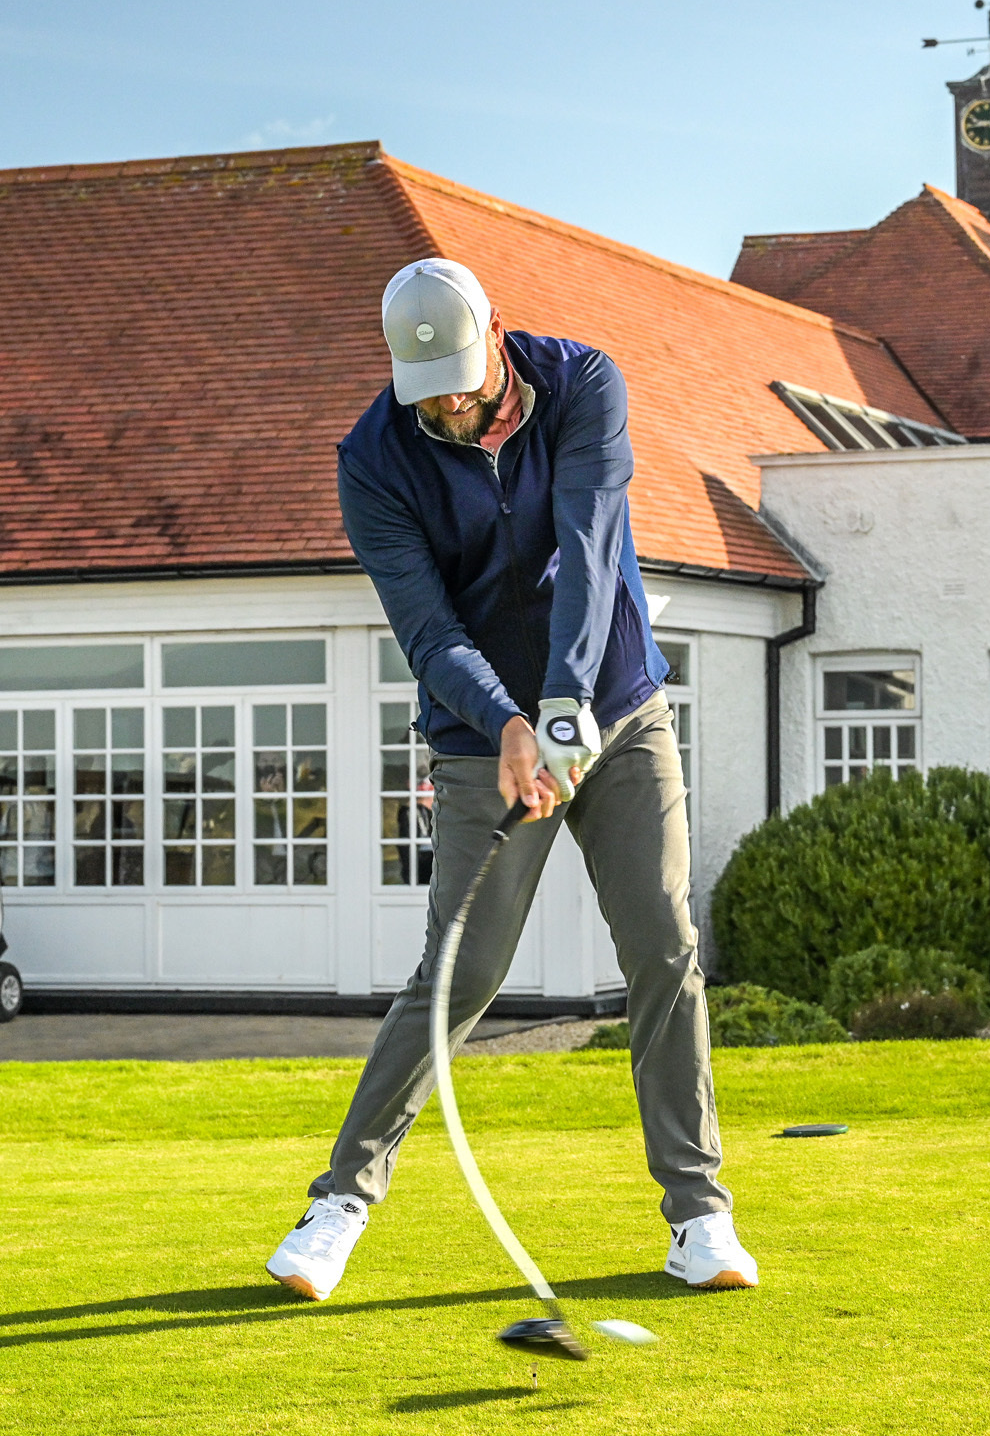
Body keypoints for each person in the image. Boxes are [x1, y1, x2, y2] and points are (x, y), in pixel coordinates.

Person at [266, 258, 756, 1301]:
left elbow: (586, 547)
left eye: (460, 373)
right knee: (461, 972)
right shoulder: (373, 460)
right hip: (479, 739)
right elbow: (427, 629)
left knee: (663, 943)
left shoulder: (583, 384)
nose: (448, 401)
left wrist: (568, 704)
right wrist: (509, 723)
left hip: (618, 712)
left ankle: (698, 1216)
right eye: (426, 385)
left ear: (496, 332)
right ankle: (337, 1206)